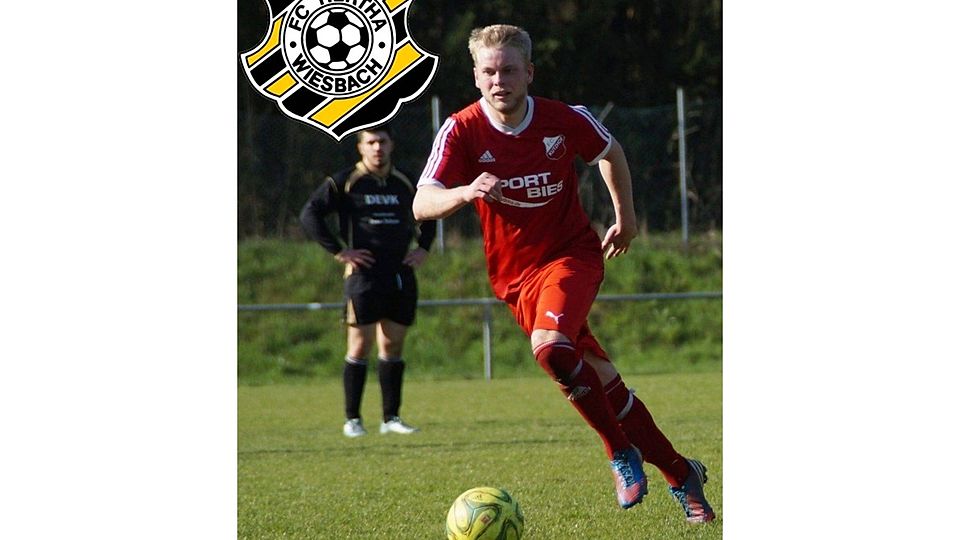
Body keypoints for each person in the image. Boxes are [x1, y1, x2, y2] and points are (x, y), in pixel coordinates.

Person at [413, 25, 715, 522]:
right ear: (476, 76)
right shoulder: (461, 129)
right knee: (602, 383)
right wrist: (464, 192)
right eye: (489, 72)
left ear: (529, 73)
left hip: (572, 257)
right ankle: (682, 473)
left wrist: (626, 219)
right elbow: (422, 202)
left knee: (551, 347)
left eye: (509, 70)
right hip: (515, 280)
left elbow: (609, 151)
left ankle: (619, 452)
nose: (499, 80)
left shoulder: (563, 118)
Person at [301, 125, 436, 438]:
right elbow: (310, 214)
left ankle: (391, 418)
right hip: (363, 276)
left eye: (382, 141)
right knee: (360, 345)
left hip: (400, 273)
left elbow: (429, 212)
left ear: (391, 145)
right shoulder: (346, 181)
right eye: (371, 142)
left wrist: (423, 248)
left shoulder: (405, 181)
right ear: (360, 147)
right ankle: (353, 420)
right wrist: (340, 251)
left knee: (392, 345)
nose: (377, 148)